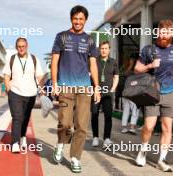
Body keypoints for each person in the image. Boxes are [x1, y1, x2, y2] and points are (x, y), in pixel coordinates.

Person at [134, 19, 173, 172]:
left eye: (168, 31)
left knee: (167, 128)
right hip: (152, 93)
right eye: (162, 31)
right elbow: (137, 69)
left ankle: (162, 159)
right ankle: (143, 151)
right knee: (148, 127)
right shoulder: (148, 50)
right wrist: (150, 66)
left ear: (172, 33)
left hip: (170, 93)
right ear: (157, 32)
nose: (164, 34)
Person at [51, 5, 100, 173]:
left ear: (85, 20)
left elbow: (93, 64)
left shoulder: (90, 40)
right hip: (65, 86)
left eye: (81, 19)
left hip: (85, 88)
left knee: (82, 125)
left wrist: (97, 87)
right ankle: (60, 144)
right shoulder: (62, 37)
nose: (78, 21)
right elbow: (55, 61)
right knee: (65, 123)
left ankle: (75, 157)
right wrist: (55, 84)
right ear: (71, 18)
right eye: (75, 18)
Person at [3, 37, 46, 153]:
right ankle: (15, 143)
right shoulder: (12, 59)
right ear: (16, 47)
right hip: (15, 93)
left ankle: (22, 137)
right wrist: (8, 89)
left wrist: (42, 90)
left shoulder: (34, 59)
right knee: (17, 117)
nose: (21, 48)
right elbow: (6, 75)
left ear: (27, 47)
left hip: (31, 94)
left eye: (23, 46)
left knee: (25, 118)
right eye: (19, 46)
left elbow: (40, 77)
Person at [91, 41, 119, 147]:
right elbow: (90, 74)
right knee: (94, 115)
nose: (104, 50)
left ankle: (107, 138)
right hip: (96, 92)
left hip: (108, 93)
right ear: (99, 49)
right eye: (102, 48)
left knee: (108, 115)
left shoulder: (113, 62)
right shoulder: (94, 61)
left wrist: (113, 89)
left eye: (106, 48)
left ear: (109, 50)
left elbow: (116, 76)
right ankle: (95, 137)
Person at [121, 54, 140, 134]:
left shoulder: (129, 69)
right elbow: (126, 73)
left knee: (130, 110)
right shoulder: (132, 70)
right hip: (130, 93)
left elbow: (126, 73)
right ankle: (129, 127)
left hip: (129, 93)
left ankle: (128, 127)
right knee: (133, 110)